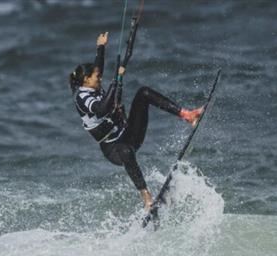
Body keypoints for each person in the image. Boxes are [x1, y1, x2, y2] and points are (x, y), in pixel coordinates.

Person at [70, 31, 203, 211]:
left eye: (100, 76)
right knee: (125, 151)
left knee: (144, 93)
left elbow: (97, 67)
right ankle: (146, 197)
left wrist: (100, 47)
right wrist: (116, 80)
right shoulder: (82, 97)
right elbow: (101, 109)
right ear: (86, 80)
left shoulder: (92, 83)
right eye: (96, 77)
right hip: (113, 149)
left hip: (129, 133)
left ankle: (187, 115)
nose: (100, 78)